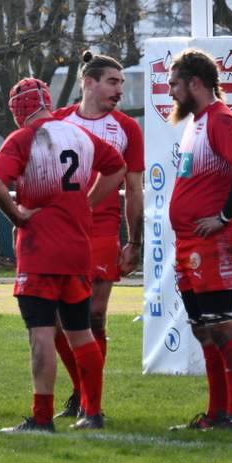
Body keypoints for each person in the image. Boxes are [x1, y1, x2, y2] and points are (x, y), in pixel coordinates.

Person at [0, 77, 126, 432]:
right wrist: (88, 202)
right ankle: (92, 412)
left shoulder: (22, 138)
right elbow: (117, 167)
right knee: (81, 333)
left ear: (19, 108)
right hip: (78, 247)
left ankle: (42, 417)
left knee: (41, 333)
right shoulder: (79, 135)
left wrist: (17, 216)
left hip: (40, 252)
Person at [164, 49, 232, 432]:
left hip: (214, 245)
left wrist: (222, 216)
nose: (171, 92)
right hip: (190, 246)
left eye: (174, 84)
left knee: (221, 327)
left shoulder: (221, 120)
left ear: (195, 84)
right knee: (203, 329)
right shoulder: (197, 122)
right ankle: (217, 412)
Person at [51, 51, 145, 417]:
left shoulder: (126, 128)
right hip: (61, 231)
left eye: (121, 83)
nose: (119, 90)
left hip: (102, 229)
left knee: (93, 317)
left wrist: (133, 241)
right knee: (58, 321)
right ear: (88, 82)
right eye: (112, 82)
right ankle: (81, 392)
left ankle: (91, 403)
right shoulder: (58, 121)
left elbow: (134, 188)